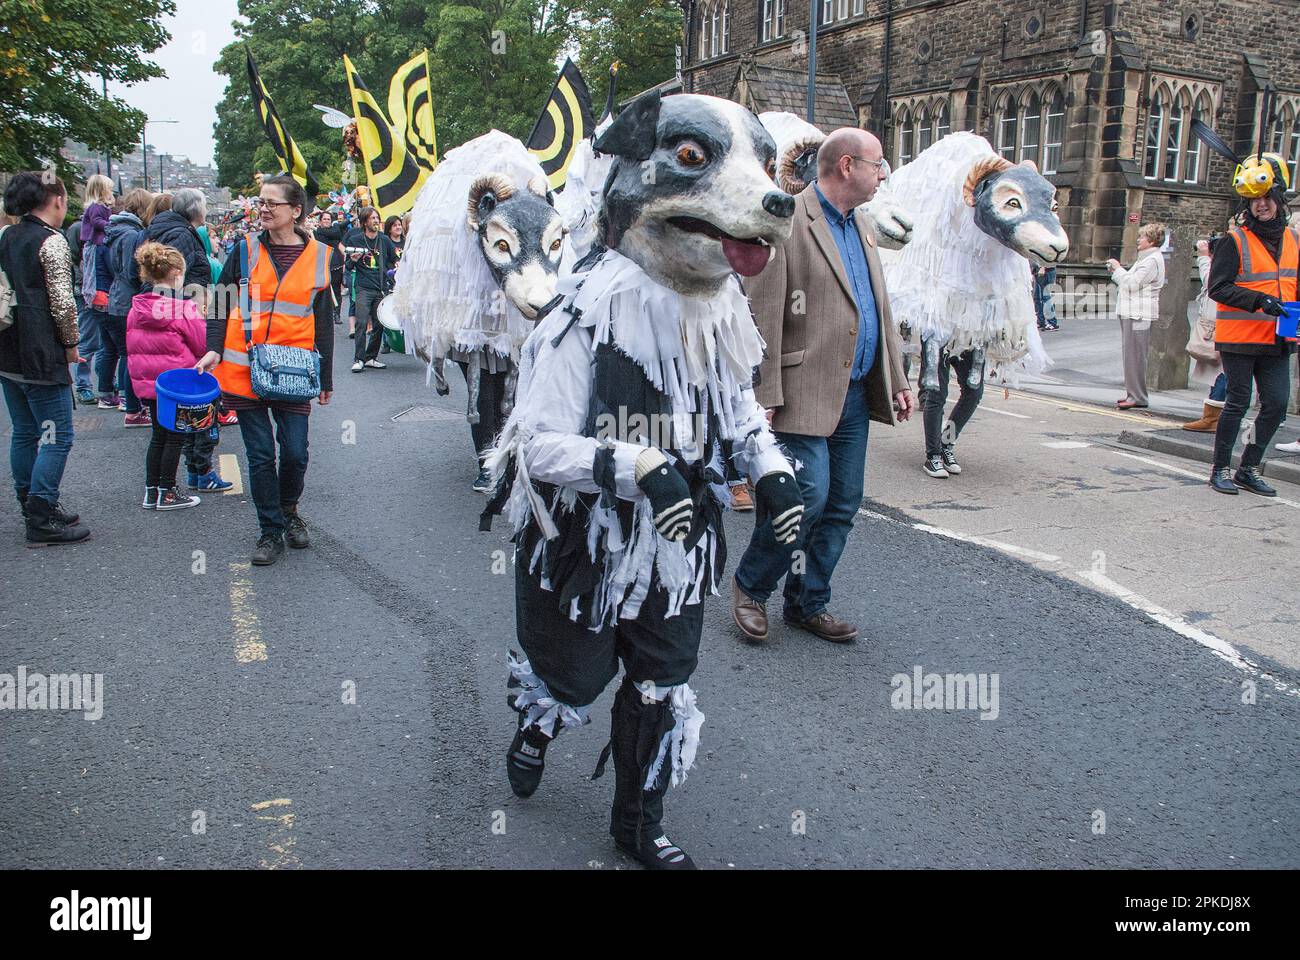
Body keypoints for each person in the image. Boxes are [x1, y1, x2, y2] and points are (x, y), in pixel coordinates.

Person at [733, 127, 913, 645]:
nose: (883, 175)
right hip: (801, 389)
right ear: (846, 166)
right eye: (877, 165)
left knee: (842, 504)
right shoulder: (788, 220)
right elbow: (760, 312)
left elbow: (878, 306)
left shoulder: (862, 224)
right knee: (805, 497)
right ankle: (751, 585)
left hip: (855, 394)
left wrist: (896, 379)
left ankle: (808, 602)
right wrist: (762, 395)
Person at [196, 174, 335, 565]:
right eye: (261, 202)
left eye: (273, 203)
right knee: (259, 456)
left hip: (294, 371)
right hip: (244, 370)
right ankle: (270, 531)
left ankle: (288, 509)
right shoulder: (243, 250)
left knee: (295, 453)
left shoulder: (322, 256)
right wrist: (212, 350)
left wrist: (326, 379)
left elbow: (322, 322)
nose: (264, 209)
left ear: (296, 211)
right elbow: (220, 303)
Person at [0, 172, 90, 545]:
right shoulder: (50, 242)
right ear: (56, 201)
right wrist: (71, 344)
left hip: (7, 346)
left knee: (24, 431)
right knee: (57, 434)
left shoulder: (7, 235)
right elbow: (63, 302)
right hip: (39, 351)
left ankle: (31, 503)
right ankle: (41, 511)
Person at [1206, 157, 1297, 496]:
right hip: (1240, 338)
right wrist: (1259, 301)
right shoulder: (1234, 240)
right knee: (1238, 402)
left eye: (1267, 198)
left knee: (1275, 405)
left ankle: (1248, 467)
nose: (1261, 205)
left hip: (1279, 339)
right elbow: (1219, 287)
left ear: (1279, 201)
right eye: (1255, 200)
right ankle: (1220, 468)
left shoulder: (1294, 240)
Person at [126, 242, 208, 511]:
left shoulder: (136, 308)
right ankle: (169, 492)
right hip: (177, 382)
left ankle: (152, 492)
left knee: (158, 436)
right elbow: (201, 344)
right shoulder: (182, 308)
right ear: (175, 272)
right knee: (175, 436)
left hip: (148, 383)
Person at [94, 187, 153, 426]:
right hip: (126, 299)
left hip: (117, 297)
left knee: (123, 354)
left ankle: (128, 404)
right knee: (130, 356)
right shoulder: (131, 234)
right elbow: (133, 271)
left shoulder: (116, 230)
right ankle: (132, 408)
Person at [1106, 222, 1167, 410]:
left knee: (1135, 356)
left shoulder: (1151, 260)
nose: (1138, 240)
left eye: (1141, 237)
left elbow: (1132, 284)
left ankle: (1137, 396)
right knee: (1131, 355)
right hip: (1133, 312)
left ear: (1151, 240)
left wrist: (1117, 269)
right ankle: (1133, 394)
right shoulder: (1146, 259)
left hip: (1139, 314)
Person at [1182, 237, 1228, 433]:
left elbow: (1212, 282)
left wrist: (1202, 257)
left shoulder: (1222, 266)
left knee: (1222, 371)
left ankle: (1213, 419)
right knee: (1218, 371)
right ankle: (1212, 416)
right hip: (1216, 325)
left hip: (1223, 326)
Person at [344, 206, 395, 372]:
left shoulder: (384, 240)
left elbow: (391, 261)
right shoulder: (356, 240)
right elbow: (348, 266)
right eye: (372, 218)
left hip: (380, 287)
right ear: (365, 222)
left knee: (380, 324)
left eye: (377, 218)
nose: (375, 221)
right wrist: (352, 259)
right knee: (361, 323)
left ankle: (370, 357)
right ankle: (358, 359)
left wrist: (394, 270)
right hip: (363, 288)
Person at [142, 187, 211, 310]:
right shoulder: (181, 235)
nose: (207, 210)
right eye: (205, 206)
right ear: (197, 209)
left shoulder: (180, 231)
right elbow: (167, 276)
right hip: (178, 311)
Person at [64, 211, 100, 403]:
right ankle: (83, 385)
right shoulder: (78, 229)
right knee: (87, 339)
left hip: (98, 291)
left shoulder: (98, 229)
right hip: (85, 290)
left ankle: (103, 386)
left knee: (102, 343)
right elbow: (72, 260)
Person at [313, 209, 344, 325]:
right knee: (322, 291)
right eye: (324, 219)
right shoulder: (315, 233)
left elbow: (336, 234)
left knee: (336, 290)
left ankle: (337, 314)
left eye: (328, 219)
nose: (326, 221)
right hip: (321, 265)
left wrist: (320, 231)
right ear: (320, 221)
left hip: (336, 265)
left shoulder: (334, 231)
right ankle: (325, 315)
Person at [1031, 262, 1059, 331]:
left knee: (1046, 298)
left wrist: (1043, 267)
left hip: (1046, 271)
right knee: (1037, 297)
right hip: (1038, 271)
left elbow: (1047, 254)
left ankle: (1052, 323)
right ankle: (1041, 322)